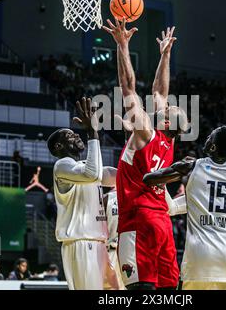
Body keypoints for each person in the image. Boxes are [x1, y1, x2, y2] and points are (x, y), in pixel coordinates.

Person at [103, 19, 188, 290]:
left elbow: (128, 88)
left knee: (141, 290)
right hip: (162, 222)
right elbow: (160, 91)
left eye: (170, 109)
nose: (167, 104)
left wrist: (122, 46)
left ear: (166, 122)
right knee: (168, 289)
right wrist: (165, 55)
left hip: (139, 219)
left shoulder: (147, 132)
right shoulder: (168, 139)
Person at [144, 126, 226, 290]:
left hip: (198, 263)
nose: (207, 138)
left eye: (210, 137)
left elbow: (149, 179)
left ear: (213, 147)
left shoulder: (190, 166)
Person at [47, 97, 117, 290]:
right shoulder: (62, 166)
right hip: (81, 243)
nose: (76, 136)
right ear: (59, 147)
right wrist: (92, 132)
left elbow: (112, 175)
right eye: (69, 136)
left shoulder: (82, 167)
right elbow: (93, 174)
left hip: (98, 243)